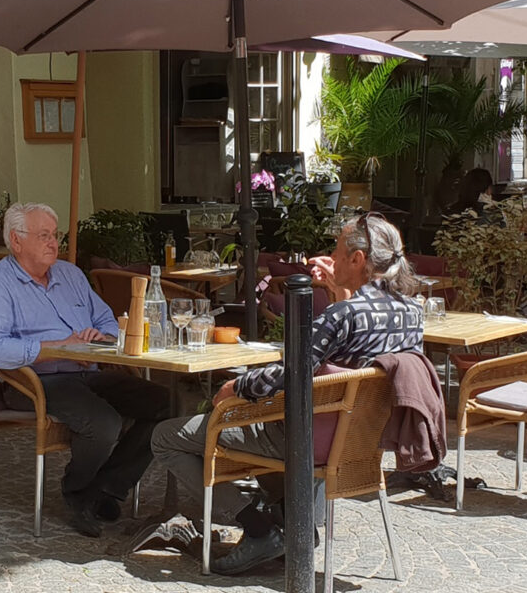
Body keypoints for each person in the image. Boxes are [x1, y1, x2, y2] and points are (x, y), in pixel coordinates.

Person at [151, 212, 424, 575]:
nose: (332, 257)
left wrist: (237, 386)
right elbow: (354, 354)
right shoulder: (411, 313)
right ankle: (292, 527)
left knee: (166, 436)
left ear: (358, 260)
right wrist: (339, 290)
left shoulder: (343, 316)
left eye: (339, 252)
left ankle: (260, 530)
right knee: (261, 424)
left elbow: (291, 374)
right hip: (362, 439)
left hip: (305, 439)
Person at [0, 202, 169, 537]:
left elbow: (108, 322)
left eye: (56, 235)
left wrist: (99, 338)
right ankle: (77, 493)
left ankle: (106, 487)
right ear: (16, 241)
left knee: (164, 402)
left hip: (87, 371)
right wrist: (57, 349)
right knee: (104, 423)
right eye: (44, 235)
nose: (54, 243)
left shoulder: (71, 275)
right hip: (34, 382)